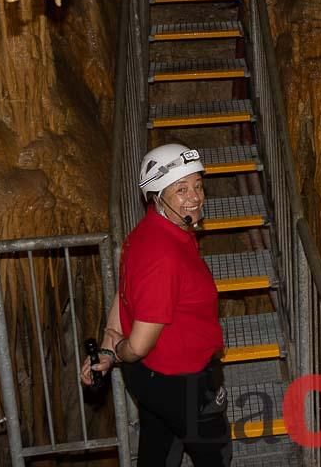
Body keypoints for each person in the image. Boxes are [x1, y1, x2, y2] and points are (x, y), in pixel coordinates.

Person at [82, 143, 231, 466]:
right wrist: (119, 352)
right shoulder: (163, 254)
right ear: (156, 196)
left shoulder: (149, 233)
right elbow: (138, 345)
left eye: (197, 185)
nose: (195, 196)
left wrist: (107, 347)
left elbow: (125, 297)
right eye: (181, 189)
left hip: (154, 381)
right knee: (216, 457)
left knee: (159, 451)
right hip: (183, 384)